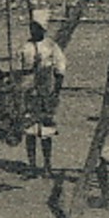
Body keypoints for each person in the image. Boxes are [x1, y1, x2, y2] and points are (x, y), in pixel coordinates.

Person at [17, 16, 67, 176]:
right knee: (30, 129)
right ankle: (32, 165)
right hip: (29, 89)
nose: (33, 30)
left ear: (43, 29)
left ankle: (47, 166)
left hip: (45, 90)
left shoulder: (51, 46)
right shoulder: (25, 46)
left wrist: (55, 92)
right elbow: (19, 69)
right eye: (31, 27)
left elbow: (60, 68)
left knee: (45, 130)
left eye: (37, 27)